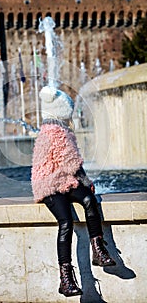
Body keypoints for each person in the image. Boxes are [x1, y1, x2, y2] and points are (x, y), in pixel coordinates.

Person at [31, 86, 116, 298]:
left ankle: (98, 249)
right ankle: (65, 278)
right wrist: (86, 181)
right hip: (48, 184)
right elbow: (72, 163)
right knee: (66, 221)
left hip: (64, 180)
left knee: (88, 199)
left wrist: (84, 186)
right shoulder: (54, 132)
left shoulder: (62, 130)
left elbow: (70, 165)